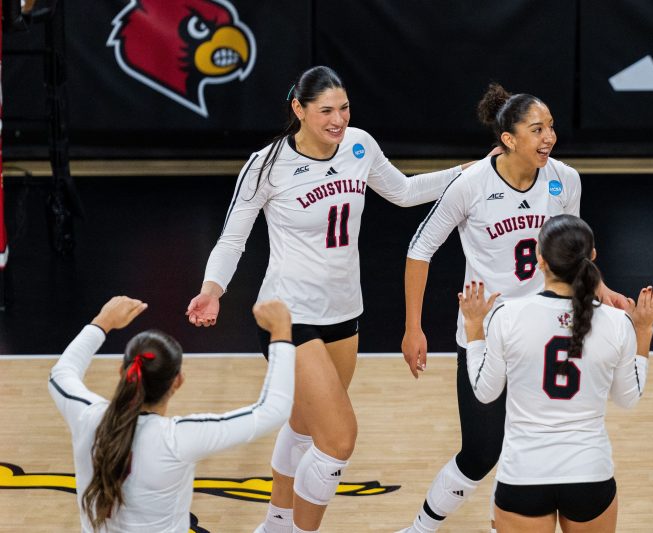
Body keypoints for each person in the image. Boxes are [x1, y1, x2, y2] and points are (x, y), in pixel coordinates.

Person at [185, 65, 478, 533]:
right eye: (325, 111)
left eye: (343, 108)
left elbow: (403, 192)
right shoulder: (266, 164)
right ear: (299, 109)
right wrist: (212, 289)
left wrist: (470, 171)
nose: (338, 120)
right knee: (339, 438)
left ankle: (275, 526)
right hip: (287, 315)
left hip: (343, 312)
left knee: (304, 426)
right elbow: (232, 239)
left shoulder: (360, 145)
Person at [399, 84, 628, 532]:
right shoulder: (471, 185)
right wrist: (413, 327)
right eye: (537, 129)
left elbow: (575, 251)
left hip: (541, 332)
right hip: (485, 334)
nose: (550, 137)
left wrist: (602, 290)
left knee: (526, 445)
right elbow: (419, 248)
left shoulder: (565, 179)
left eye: (551, 127)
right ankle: (420, 528)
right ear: (508, 138)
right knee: (480, 452)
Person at [459, 214, 653, 532]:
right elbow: (628, 399)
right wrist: (643, 332)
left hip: (524, 474)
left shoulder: (507, 316)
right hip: (589, 473)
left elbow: (486, 393)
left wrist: (474, 328)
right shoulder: (618, 323)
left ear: (540, 259)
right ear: (592, 256)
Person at [48, 296, 295, 533]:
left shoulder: (87, 417)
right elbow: (273, 410)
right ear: (178, 381)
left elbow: (61, 373)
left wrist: (102, 322)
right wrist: (282, 332)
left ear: (122, 371)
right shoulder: (177, 439)